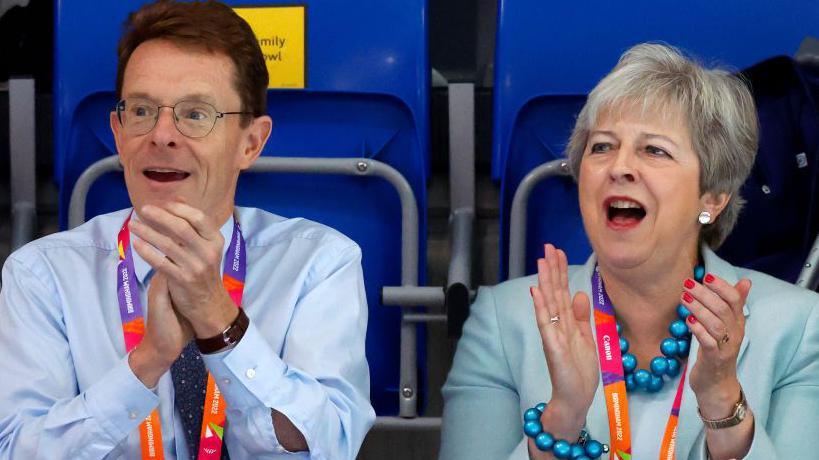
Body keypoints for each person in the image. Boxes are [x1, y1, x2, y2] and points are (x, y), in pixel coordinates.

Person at [0, 1, 374, 458]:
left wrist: (219, 318)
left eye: (195, 115)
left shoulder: (319, 263)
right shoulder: (43, 275)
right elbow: (17, 450)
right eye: (141, 111)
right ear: (118, 134)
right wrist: (147, 362)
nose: (162, 135)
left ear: (250, 143)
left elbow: (327, 447)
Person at [441, 43, 819, 460]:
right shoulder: (502, 321)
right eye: (601, 147)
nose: (619, 167)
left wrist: (723, 406)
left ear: (711, 197)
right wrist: (563, 416)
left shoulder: (798, 327)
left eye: (653, 150)